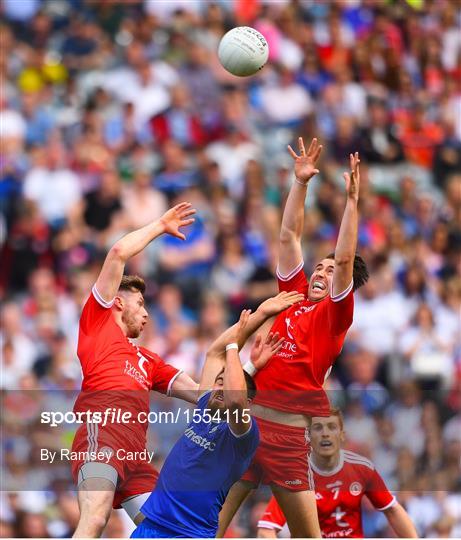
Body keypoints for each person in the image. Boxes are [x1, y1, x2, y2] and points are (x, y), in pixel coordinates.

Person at [217, 139, 369, 538]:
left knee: (307, 535)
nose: (321, 273)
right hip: (249, 423)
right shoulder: (293, 296)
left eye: (329, 270)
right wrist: (299, 183)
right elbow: (288, 236)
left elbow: (346, 258)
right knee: (209, 522)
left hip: (288, 432)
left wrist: (351, 206)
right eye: (318, 268)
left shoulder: (334, 316)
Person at [72, 203, 202, 538]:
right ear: (118, 302)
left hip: (136, 457)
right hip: (102, 435)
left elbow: (201, 395)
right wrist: (160, 225)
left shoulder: (149, 360)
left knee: (169, 530)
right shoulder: (97, 324)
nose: (146, 315)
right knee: (96, 517)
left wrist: (243, 363)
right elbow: (117, 252)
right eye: (141, 304)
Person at [131, 291, 305, 538]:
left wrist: (235, 346)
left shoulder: (243, 434)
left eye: (226, 382)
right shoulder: (205, 407)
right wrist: (261, 315)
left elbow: (235, 401)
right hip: (152, 526)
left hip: (189, 534)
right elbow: (214, 353)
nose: (219, 386)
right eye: (218, 381)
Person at [256, 409, 418, 539]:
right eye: (318, 428)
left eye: (332, 427)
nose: (325, 433)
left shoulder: (362, 469)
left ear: (342, 435)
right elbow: (266, 530)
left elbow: (392, 510)